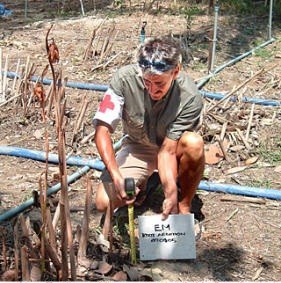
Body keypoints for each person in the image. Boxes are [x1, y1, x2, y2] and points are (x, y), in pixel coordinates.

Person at [93, 36, 205, 230]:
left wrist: (171, 193)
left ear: (175, 71)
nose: (153, 90)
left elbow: (167, 151)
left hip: (173, 148)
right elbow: (102, 130)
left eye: (160, 84)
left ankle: (184, 206)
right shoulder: (123, 80)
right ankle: (144, 185)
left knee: (194, 143)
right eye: (147, 82)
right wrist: (117, 176)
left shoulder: (189, 97)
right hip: (138, 146)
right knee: (103, 202)